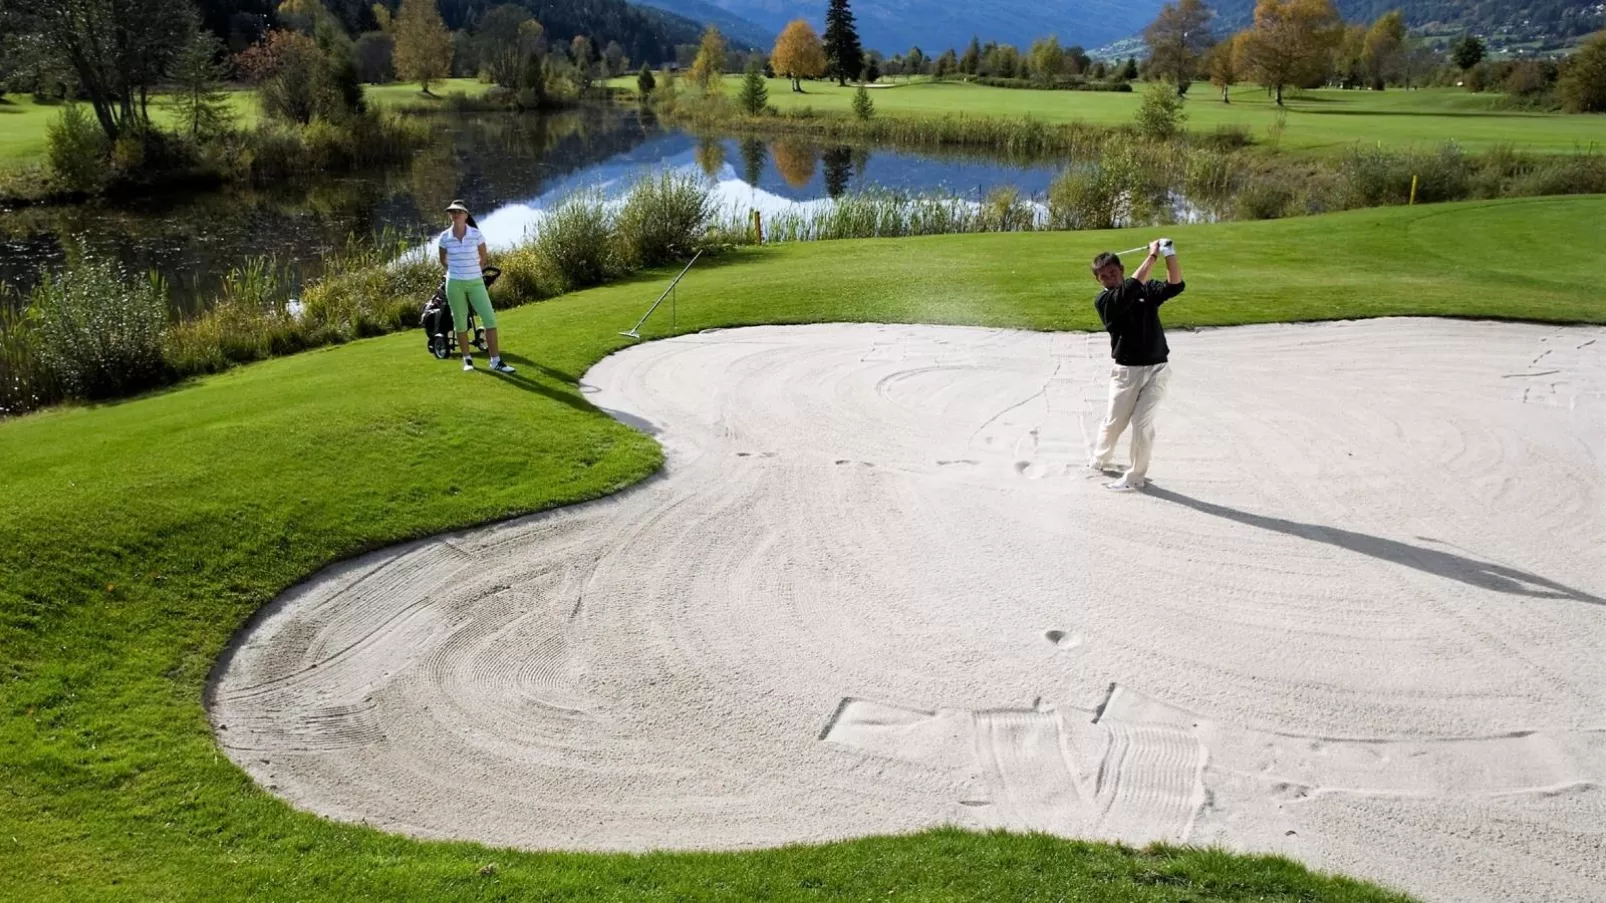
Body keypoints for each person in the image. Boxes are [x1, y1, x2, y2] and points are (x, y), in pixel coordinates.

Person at [1087, 239, 1184, 492]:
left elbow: (1174, 285)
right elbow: (1130, 288)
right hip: (1126, 372)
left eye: (1113, 272)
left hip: (1158, 369)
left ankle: (1135, 476)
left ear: (1121, 268)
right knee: (1114, 423)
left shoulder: (1145, 289)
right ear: (1099, 281)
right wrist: (1152, 256)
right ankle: (1100, 458)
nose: (1109, 278)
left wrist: (1168, 252)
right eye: (1104, 276)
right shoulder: (1105, 302)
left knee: (1142, 424)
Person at [437, 200, 514, 373]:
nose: (455, 215)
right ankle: (467, 359)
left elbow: (483, 255)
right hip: (455, 283)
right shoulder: (444, 237)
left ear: (466, 215)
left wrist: (473, 270)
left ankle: (496, 361)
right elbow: (443, 260)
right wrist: (457, 271)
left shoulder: (476, 234)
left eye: (459, 212)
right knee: (460, 322)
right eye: (452, 212)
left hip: (475, 282)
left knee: (489, 319)